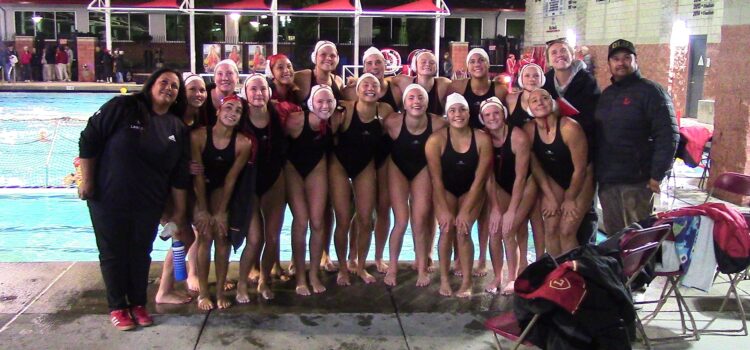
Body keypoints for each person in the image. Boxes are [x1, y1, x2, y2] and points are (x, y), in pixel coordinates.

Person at [78, 68, 190, 330]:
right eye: (164, 82)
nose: (169, 88)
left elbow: (179, 175)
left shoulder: (176, 127)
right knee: (113, 253)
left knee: (140, 253)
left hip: (148, 202)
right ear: (151, 85)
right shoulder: (123, 107)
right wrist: (88, 181)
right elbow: (89, 139)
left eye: (174, 86)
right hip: (109, 197)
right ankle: (118, 306)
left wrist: (179, 213)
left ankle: (138, 303)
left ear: (177, 96)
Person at [595, 39, 679, 235]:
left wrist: (657, 175)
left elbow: (668, 135)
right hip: (608, 181)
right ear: (609, 63)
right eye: (615, 59)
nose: (621, 63)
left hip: (637, 182)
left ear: (635, 61)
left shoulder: (652, 92)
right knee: (614, 238)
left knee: (639, 241)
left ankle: (643, 268)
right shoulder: (607, 94)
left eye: (626, 58)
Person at [425, 93, 493, 298]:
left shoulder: (482, 139)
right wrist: (444, 211)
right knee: (446, 230)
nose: (458, 114)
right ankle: (444, 279)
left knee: (463, 230)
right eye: (453, 110)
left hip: (471, 190)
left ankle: (467, 282)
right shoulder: (435, 140)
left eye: (462, 109)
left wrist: (465, 210)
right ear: (446, 114)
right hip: (445, 189)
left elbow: (480, 180)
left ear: (469, 112)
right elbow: (436, 180)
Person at [342, 47, 402, 275]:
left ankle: (378, 256)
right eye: (369, 64)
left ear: (385, 66)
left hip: (385, 157)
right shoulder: (352, 91)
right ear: (363, 66)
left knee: (384, 208)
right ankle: (353, 254)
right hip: (360, 157)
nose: (374, 68)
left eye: (378, 63)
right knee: (361, 210)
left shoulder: (394, 91)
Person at [449, 47, 508, 275]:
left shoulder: (500, 89)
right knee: (458, 207)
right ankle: (457, 257)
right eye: (472, 60)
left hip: (490, 151)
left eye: (481, 60)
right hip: (463, 152)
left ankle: (482, 258)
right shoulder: (458, 87)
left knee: (484, 211)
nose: (477, 64)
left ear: (488, 64)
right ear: (467, 65)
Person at [330, 74, 394, 286]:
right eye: (365, 84)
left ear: (380, 90)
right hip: (340, 164)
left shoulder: (384, 111)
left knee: (366, 219)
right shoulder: (344, 109)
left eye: (374, 85)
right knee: (343, 219)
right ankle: (342, 268)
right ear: (356, 90)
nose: (369, 88)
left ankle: (359, 265)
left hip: (365, 165)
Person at [192, 94, 253, 310]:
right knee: (205, 234)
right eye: (228, 107)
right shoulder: (199, 136)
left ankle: (218, 292)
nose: (232, 113)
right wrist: (202, 210)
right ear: (218, 111)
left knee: (222, 235)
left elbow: (231, 179)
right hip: (200, 188)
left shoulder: (243, 143)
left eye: (238, 111)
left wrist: (221, 212)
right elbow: (198, 175)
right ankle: (202, 293)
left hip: (222, 189)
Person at [383, 83, 447, 287]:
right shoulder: (392, 122)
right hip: (397, 168)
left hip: (422, 169)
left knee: (419, 220)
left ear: (427, 102)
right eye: (411, 98)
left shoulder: (438, 124)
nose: (416, 101)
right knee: (401, 221)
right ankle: (392, 267)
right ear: (404, 103)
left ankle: (421, 268)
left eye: (420, 98)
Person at [154, 74, 207, 305]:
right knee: (182, 234)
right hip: (167, 191)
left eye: (202, 90)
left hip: (186, 189)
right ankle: (165, 289)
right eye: (192, 89)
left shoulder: (200, 119)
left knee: (192, 232)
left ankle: (178, 279)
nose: (198, 94)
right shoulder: (170, 120)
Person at [542, 37, 600, 246]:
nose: (559, 56)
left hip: (582, 156)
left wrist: (566, 121)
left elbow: (594, 118)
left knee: (580, 219)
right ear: (548, 60)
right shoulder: (546, 82)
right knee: (553, 224)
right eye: (554, 53)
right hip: (556, 159)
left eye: (563, 51)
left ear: (572, 53)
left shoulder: (587, 81)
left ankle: (585, 266)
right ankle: (555, 273)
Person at [236, 74, 288, 301]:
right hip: (249, 184)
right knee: (255, 239)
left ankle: (264, 280)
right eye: (253, 89)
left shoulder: (279, 114)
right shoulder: (238, 117)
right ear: (245, 93)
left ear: (269, 92)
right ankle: (241, 284)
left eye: (263, 89)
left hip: (274, 181)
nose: (258, 93)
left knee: (273, 238)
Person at [523, 89, 593, 257]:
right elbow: (537, 167)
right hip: (554, 178)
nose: (540, 102)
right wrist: (549, 195)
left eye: (544, 98)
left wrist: (570, 198)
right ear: (529, 109)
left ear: (552, 103)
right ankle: (557, 276)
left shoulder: (570, 127)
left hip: (581, 178)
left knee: (567, 230)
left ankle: (573, 276)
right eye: (534, 100)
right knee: (551, 228)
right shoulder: (529, 130)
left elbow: (580, 169)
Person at [284, 84, 335, 295]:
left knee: (317, 221)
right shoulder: (296, 120)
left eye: (329, 101)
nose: (325, 106)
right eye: (320, 101)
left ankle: (313, 274)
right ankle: (300, 277)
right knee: (301, 220)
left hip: (316, 166)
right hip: (293, 167)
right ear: (310, 103)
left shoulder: (335, 121)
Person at [479, 97, 533, 295]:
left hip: (525, 184)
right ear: (482, 119)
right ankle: (497, 277)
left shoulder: (518, 137)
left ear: (504, 114)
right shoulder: (483, 138)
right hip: (499, 185)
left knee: (508, 230)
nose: (492, 117)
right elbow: (488, 177)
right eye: (487, 115)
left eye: (496, 113)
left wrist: (511, 211)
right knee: (494, 230)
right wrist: (494, 208)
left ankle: (513, 278)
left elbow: (520, 177)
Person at [504, 63, 546, 265]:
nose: (532, 78)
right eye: (527, 75)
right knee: (523, 220)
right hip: (516, 164)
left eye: (536, 75)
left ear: (542, 78)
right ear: (521, 78)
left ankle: (540, 261)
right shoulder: (512, 99)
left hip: (539, 164)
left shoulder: (548, 101)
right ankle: (523, 264)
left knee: (537, 216)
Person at [393, 50, 451, 116]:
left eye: (432, 62)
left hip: (434, 125)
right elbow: (384, 82)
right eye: (423, 62)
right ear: (415, 66)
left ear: (436, 67)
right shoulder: (404, 81)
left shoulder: (443, 84)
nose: (427, 64)